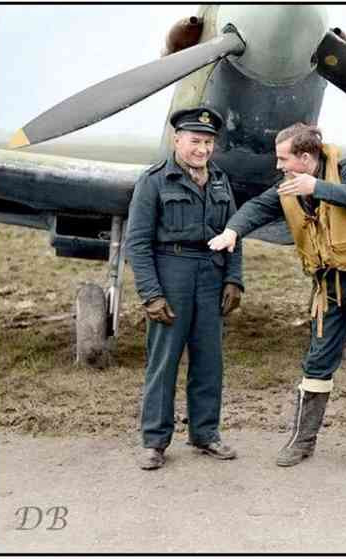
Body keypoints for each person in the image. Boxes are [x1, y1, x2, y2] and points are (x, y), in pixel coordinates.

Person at [208, 123, 346, 472]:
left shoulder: (345, 169)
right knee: (316, 362)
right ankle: (302, 441)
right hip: (327, 285)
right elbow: (258, 206)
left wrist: (317, 187)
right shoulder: (288, 186)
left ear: (305, 157)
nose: (278, 166)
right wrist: (232, 230)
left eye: (284, 159)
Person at [126, 106, 243, 470]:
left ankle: (205, 433)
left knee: (209, 362)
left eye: (208, 142)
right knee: (163, 362)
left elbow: (233, 236)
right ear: (177, 140)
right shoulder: (154, 181)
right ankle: (155, 442)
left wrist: (234, 279)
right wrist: (151, 294)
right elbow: (138, 243)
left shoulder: (222, 181)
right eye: (195, 141)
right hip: (171, 273)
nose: (202, 149)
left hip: (211, 273)